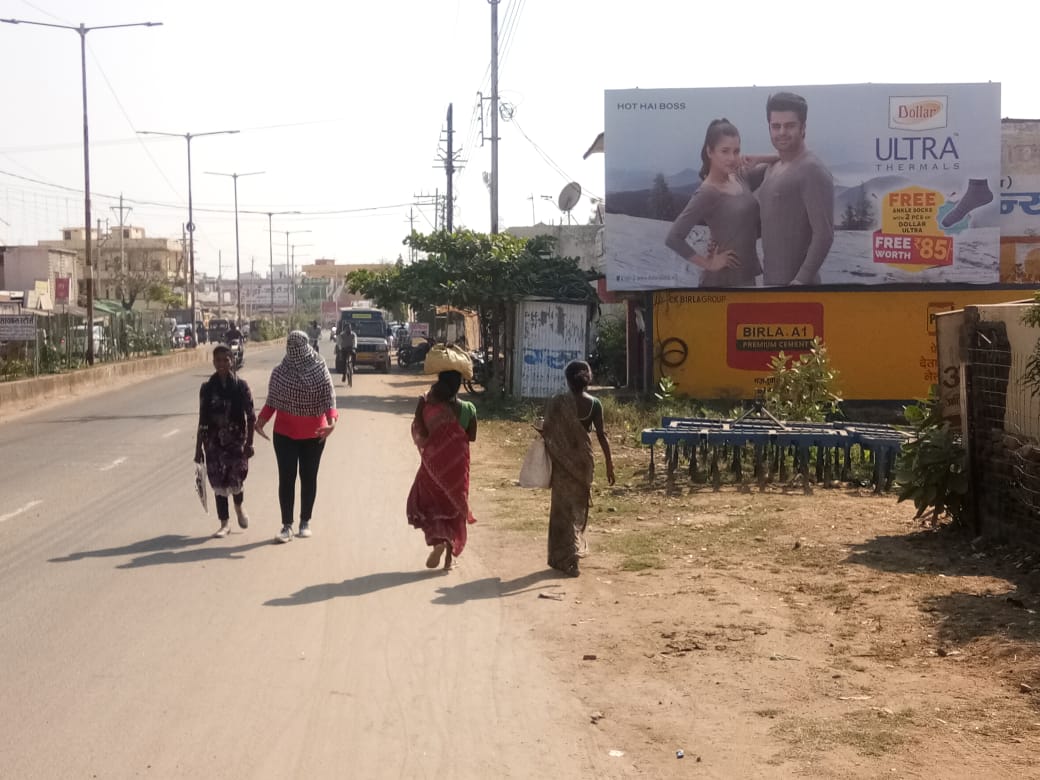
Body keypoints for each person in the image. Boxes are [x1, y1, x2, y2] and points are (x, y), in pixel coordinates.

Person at [254, 331, 338, 543]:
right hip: (284, 434)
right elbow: (272, 401)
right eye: (290, 349)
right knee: (287, 478)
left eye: (297, 349)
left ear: (306, 347)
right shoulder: (280, 373)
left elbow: (329, 398)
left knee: (309, 477)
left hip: (314, 434)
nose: (294, 353)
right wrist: (261, 421)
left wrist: (332, 423)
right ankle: (286, 525)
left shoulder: (319, 369)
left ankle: (305, 521)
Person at [666, 118, 771, 287]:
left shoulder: (741, 177)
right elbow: (673, 238)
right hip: (721, 282)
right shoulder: (707, 192)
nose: (732, 158)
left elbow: (783, 160)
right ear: (710, 151)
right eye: (725, 151)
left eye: (736, 151)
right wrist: (709, 264)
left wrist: (758, 158)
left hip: (746, 277)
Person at [540, 360, 615, 577]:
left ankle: (566, 557)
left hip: (562, 464)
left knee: (561, 512)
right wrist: (609, 464)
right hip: (584, 463)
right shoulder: (595, 404)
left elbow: (548, 431)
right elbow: (602, 435)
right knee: (578, 509)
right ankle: (573, 552)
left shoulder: (557, 402)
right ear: (587, 379)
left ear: (567, 379)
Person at [756, 91, 835, 286]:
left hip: (799, 291)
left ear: (803, 127)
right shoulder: (773, 167)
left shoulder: (811, 170)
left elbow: (824, 234)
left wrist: (800, 281)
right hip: (771, 284)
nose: (782, 132)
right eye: (776, 126)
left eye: (790, 125)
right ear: (769, 128)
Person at [407, 369, 477, 571]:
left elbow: (420, 430)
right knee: (454, 507)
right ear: (458, 386)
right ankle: (448, 558)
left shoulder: (427, 405)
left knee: (430, 505)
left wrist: (422, 410)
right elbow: (471, 436)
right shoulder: (468, 408)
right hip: (457, 466)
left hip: (433, 466)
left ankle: (438, 542)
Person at [194, 344, 256, 538]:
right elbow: (202, 418)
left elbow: (251, 416)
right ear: (213, 362)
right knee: (218, 482)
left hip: (236, 441)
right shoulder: (207, 388)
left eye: (225, 360)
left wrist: (249, 443)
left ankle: (238, 507)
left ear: (232, 361)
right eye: (218, 360)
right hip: (213, 443)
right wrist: (198, 448)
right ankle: (224, 523)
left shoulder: (241, 386)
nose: (222, 364)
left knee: (236, 478)